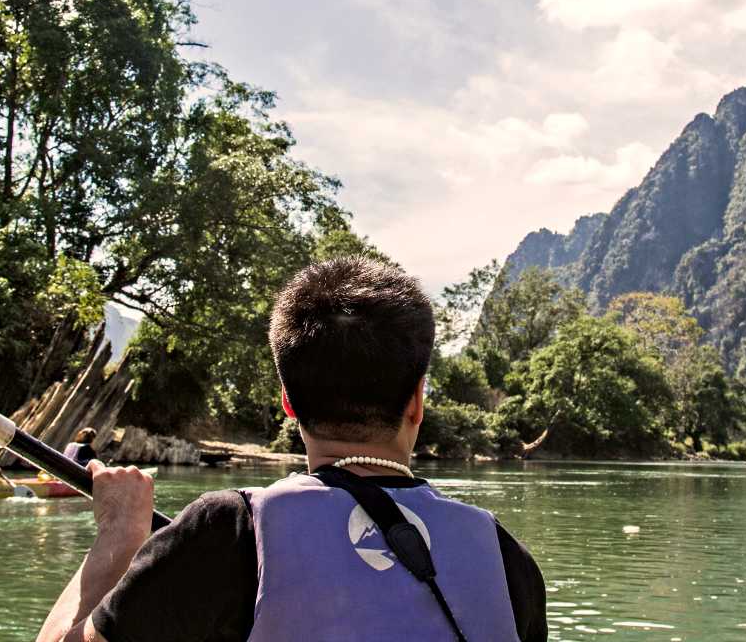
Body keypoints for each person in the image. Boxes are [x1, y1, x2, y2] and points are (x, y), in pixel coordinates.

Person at [36, 257, 547, 642]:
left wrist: (116, 537)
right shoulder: (505, 558)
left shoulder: (228, 529)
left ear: (288, 403)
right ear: (418, 402)